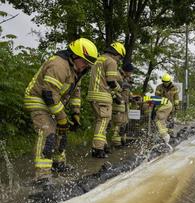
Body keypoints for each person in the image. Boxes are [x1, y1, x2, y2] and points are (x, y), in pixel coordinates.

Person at [24, 37, 98, 182]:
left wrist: (76, 113)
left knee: (62, 133)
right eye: (84, 62)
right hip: (38, 99)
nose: (85, 66)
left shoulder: (76, 70)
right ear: (74, 55)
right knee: (48, 132)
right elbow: (49, 94)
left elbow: (75, 93)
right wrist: (62, 117)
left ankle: (58, 164)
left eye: (88, 64)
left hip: (52, 102)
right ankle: (42, 175)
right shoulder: (59, 65)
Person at [88, 41, 126, 158]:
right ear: (117, 53)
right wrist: (119, 89)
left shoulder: (99, 59)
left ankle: (103, 146)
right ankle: (97, 149)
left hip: (93, 95)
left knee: (100, 122)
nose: (119, 60)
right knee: (103, 121)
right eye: (120, 57)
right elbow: (110, 81)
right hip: (102, 96)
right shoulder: (111, 61)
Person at [111, 62, 134, 147]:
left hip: (124, 104)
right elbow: (112, 87)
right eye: (131, 72)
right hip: (118, 103)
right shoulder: (118, 76)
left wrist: (132, 98)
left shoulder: (125, 78)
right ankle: (116, 142)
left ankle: (121, 140)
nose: (131, 74)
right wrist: (115, 97)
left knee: (123, 124)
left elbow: (126, 91)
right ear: (127, 71)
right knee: (118, 123)